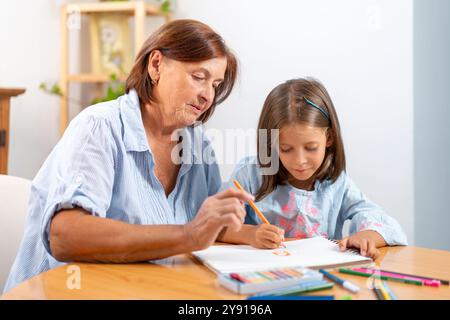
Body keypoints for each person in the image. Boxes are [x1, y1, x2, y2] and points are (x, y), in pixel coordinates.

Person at [3, 19, 253, 293]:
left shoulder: (198, 145)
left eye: (215, 84)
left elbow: (208, 230)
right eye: (198, 77)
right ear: (156, 65)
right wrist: (188, 234)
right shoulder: (99, 127)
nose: (208, 96)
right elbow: (65, 236)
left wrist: (243, 228)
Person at [218, 78, 407, 258]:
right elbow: (214, 225)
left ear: (329, 138)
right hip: (264, 277)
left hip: (322, 278)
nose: (299, 161)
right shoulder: (250, 175)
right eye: (286, 149)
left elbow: (381, 221)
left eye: (311, 148)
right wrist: (250, 234)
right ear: (271, 143)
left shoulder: (335, 182)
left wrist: (365, 237)